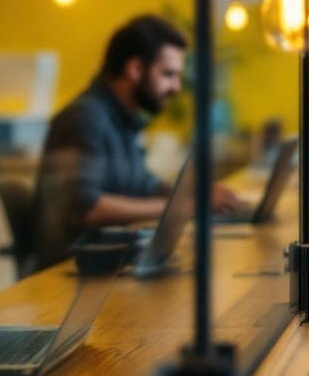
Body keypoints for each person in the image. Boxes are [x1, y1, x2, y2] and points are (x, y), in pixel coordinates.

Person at [33, 14, 244, 268]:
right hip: (71, 273)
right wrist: (182, 208)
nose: (176, 87)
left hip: (110, 264)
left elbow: (142, 183)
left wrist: (195, 193)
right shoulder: (84, 119)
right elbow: (86, 209)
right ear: (135, 69)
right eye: (168, 74)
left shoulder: (121, 119)